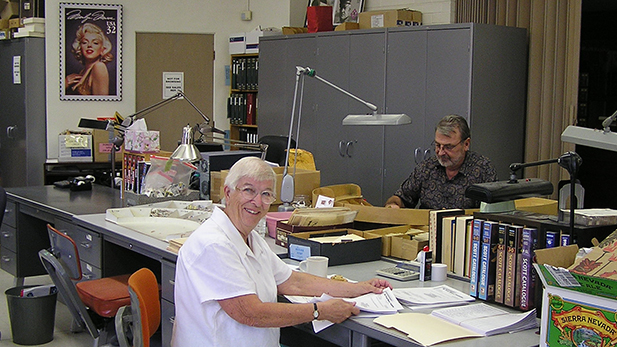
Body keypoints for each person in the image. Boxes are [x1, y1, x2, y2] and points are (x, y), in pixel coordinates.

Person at [172, 157, 391, 346]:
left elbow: (292, 282)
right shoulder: (214, 244)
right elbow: (250, 313)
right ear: (228, 192)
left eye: (266, 194)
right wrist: (320, 311)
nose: (257, 202)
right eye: (249, 190)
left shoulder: (250, 238)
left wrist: (357, 288)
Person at [385, 114, 497, 210]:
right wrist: (393, 204)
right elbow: (402, 197)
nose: (441, 153)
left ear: (466, 144)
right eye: (438, 145)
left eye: (448, 147)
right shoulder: (427, 167)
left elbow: (492, 211)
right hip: (426, 232)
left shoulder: (482, 169)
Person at [65, 23, 113, 95]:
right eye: (84, 42)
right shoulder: (83, 71)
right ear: (79, 47)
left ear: (103, 49)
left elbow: (101, 104)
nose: (89, 45)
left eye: (95, 43)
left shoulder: (99, 67)